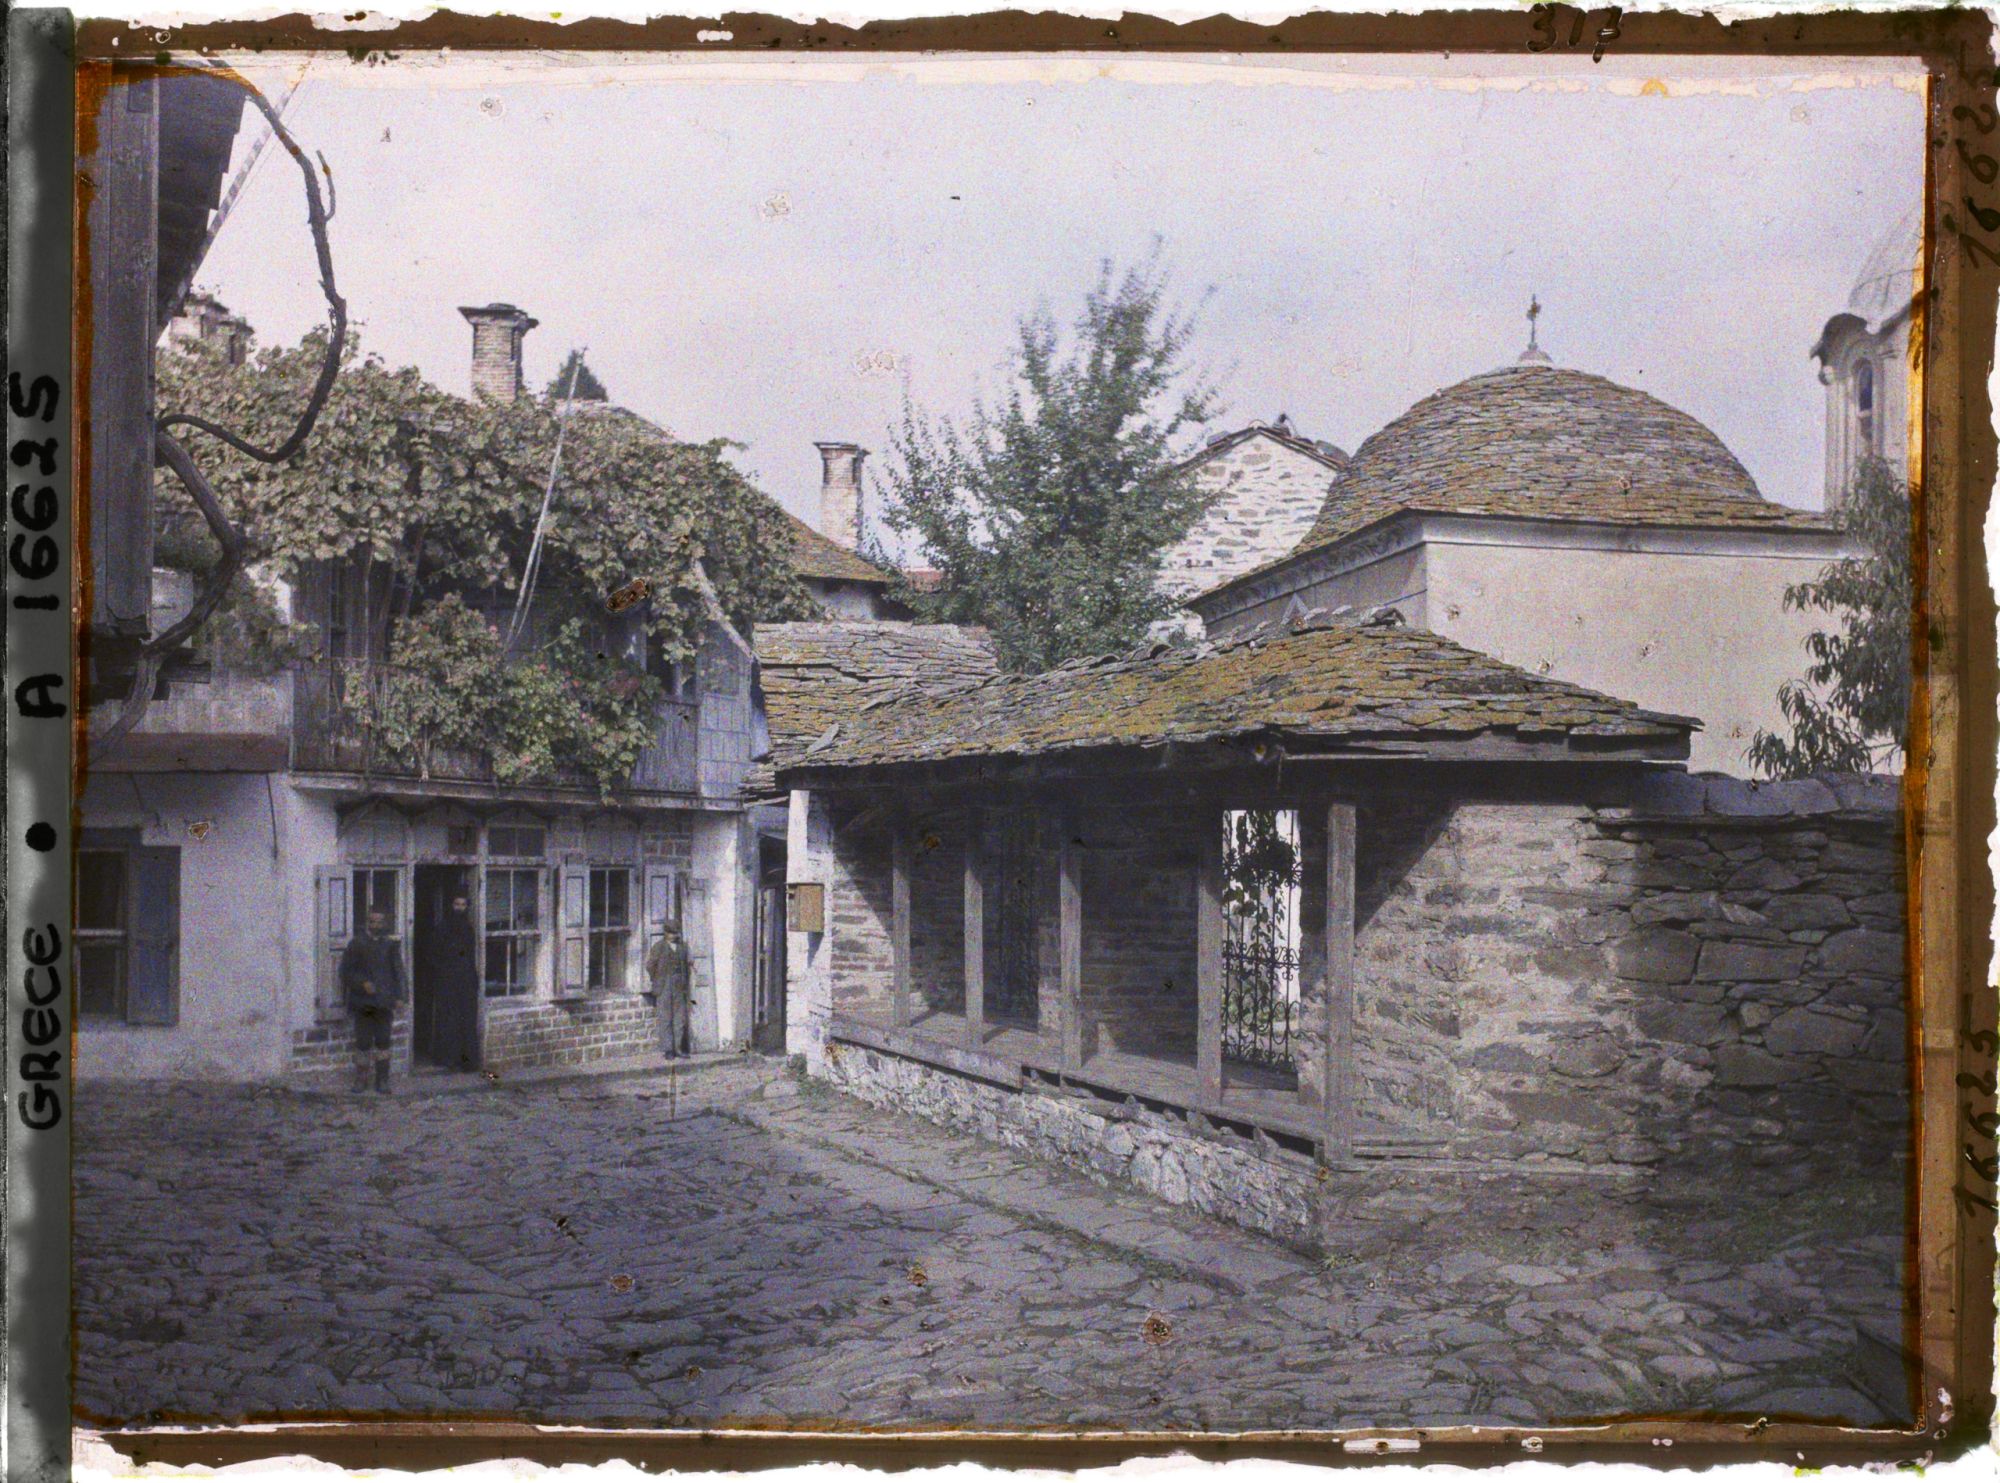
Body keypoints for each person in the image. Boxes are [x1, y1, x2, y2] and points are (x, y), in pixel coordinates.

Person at [339, 907, 406, 1094]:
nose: (375, 925)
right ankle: (361, 1078)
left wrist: (400, 997)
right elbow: (345, 972)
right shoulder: (357, 944)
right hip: (364, 1003)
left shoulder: (390, 945)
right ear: (367, 923)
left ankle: (382, 1079)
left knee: (384, 1040)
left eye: (379, 921)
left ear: (385, 924)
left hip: (384, 1002)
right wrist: (362, 984)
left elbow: (398, 972)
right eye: (372, 921)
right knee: (363, 1041)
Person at [432, 892, 482, 1073]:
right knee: (449, 1019)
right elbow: (435, 954)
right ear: (451, 905)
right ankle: (449, 1059)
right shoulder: (442, 927)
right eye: (456, 904)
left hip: (466, 978)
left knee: (467, 1019)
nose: (459, 908)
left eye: (463, 904)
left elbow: (469, 954)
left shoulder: (468, 928)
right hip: (447, 978)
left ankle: (468, 1061)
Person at [646, 921, 693, 1058]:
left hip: (679, 985)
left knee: (680, 1017)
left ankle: (678, 1048)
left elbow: (686, 967)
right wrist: (657, 979)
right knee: (665, 1017)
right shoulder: (658, 947)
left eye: (676, 933)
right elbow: (650, 966)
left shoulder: (683, 947)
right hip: (664, 984)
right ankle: (668, 1050)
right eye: (671, 933)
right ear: (665, 933)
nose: (674, 936)